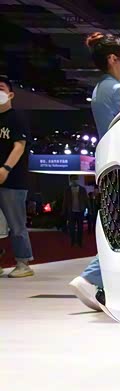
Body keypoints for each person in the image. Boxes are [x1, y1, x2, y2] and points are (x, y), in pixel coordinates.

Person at [69, 32, 120, 311]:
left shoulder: (100, 89)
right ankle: (92, 277)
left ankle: (96, 279)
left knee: (117, 224)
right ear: (113, 59)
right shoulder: (115, 90)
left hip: (109, 163)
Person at [0, 75, 34, 278]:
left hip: (13, 180)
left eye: (1, 88)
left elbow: (19, 146)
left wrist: (5, 168)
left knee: (16, 224)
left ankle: (23, 263)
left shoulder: (17, 118)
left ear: (10, 94)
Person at [63, 175, 89, 247]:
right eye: (73, 179)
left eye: (76, 179)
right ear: (71, 181)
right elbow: (65, 201)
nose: (75, 181)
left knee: (80, 228)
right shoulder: (67, 190)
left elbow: (86, 200)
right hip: (71, 211)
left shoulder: (82, 189)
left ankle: (79, 242)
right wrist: (64, 211)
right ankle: (73, 241)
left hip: (80, 211)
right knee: (72, 228)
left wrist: (88, 209)